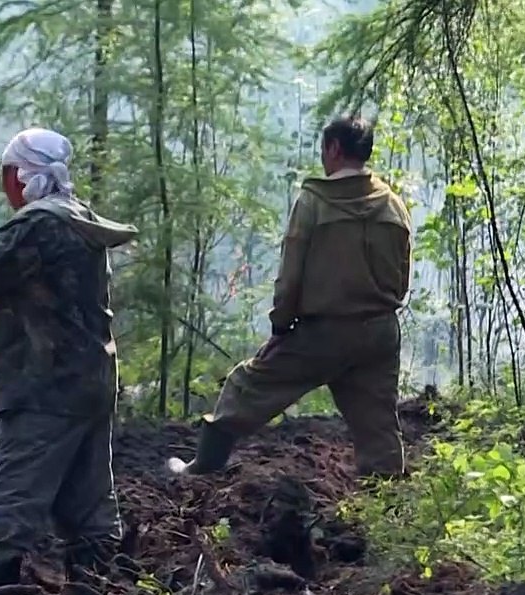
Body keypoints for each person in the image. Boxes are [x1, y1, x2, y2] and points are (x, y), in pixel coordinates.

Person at [0, 128, 138, 595]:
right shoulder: (79, 221)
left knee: (12, 493)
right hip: (92, 378)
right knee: (87, 496)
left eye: (8, 176)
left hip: (44, 384)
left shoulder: (38, 227)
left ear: (17, 176)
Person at [167, 115, 412, 480]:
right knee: (377, 425)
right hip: (379, 332)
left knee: (245, 387)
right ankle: (390, 505)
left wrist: (281, 326)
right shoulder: (393, 205)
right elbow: (402, 276)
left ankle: (201, 468)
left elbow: (291, 273)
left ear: (333, 149)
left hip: (323, 333)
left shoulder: (314, 203)